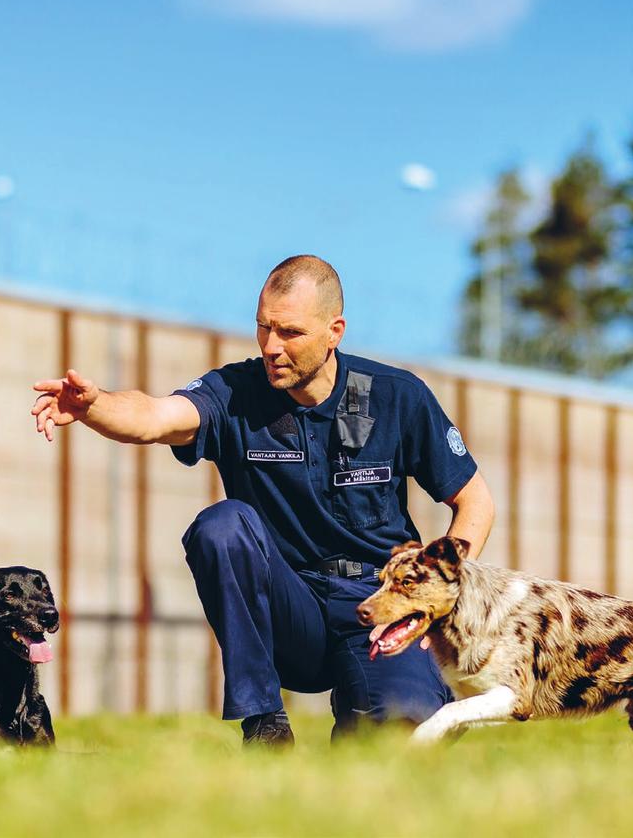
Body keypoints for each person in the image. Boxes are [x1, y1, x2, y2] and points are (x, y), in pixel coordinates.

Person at [30, 255, 494, 744]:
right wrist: (96, 405)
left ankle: (378, 706)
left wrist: (433, 598)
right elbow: (154, 417)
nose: (272, 347)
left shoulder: (397, 397)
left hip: (380, 606)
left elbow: (475, 502)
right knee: (222, 526)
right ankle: (264, 722)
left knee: (400, 741)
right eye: (263, 328)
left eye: (290, 332)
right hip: (291, 613)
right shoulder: (235, 392)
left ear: (334, 331)